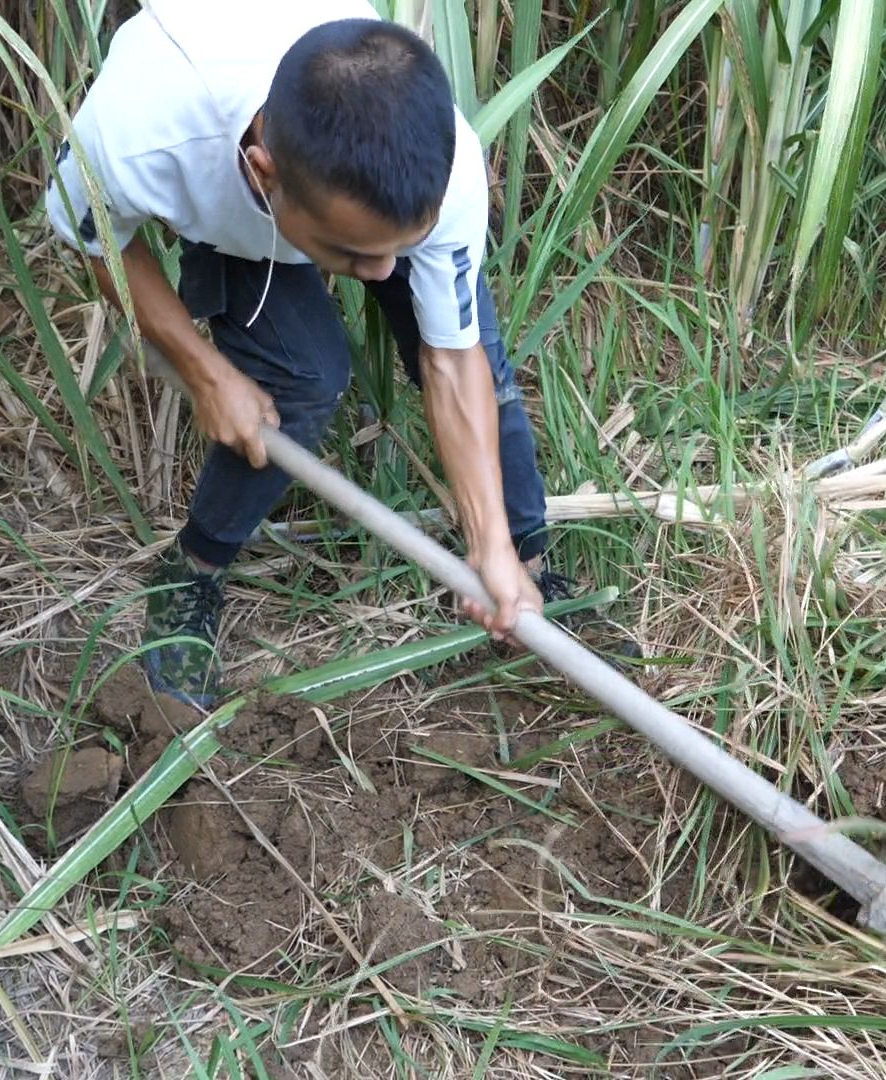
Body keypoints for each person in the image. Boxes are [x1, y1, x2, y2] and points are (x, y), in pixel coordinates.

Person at [44, 2, 620, 708]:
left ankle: (525, 563)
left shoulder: (448, 168)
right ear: (264, 172)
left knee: (482, 369)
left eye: (400, 248)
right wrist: (204, 371)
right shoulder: (139, 133)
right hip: (230, 191)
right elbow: (98, 238)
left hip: (325, 193)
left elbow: (451, 362)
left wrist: (487, 544)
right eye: (354, 253)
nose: (381, 275)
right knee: (304, 377)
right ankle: (192, 568)